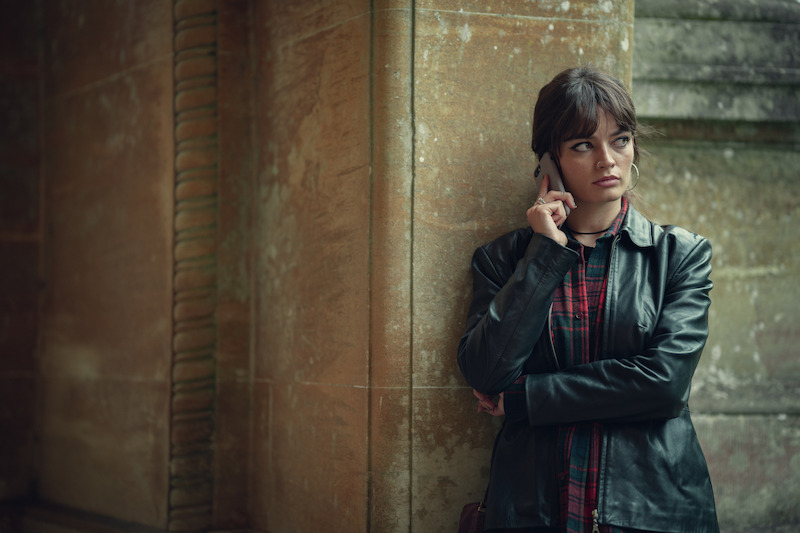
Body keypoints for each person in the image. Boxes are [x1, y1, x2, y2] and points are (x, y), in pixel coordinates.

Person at [457, 66, 719, 533]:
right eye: (583, 145)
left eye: (620, 140)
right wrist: (543, 256)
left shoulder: (680, 255)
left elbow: (663, 384)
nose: (607, 160)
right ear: (550, 162)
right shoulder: (503, 261)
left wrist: (526, 397)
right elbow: (485, 372)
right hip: (532, 513)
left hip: (651, 512)